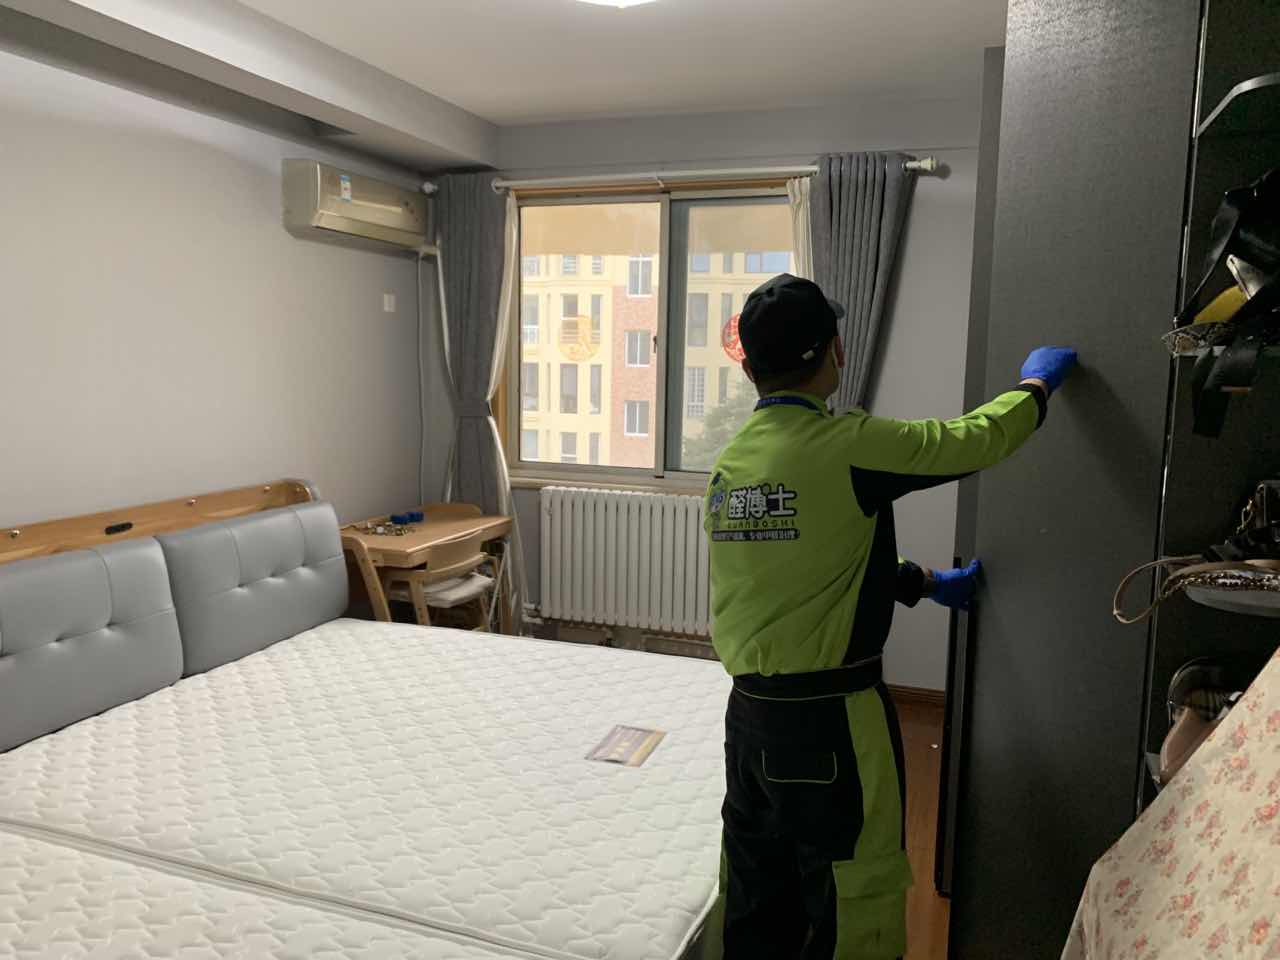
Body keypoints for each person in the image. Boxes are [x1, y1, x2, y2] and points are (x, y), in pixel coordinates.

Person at [703, 274, 1076, 959]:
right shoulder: (846, 445)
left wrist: (922, 583)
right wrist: (1036, 388)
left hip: (748, 719)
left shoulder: (731, 463)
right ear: (835, 352)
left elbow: (795, 568)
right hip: (831, 720)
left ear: (750, 369)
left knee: (758, 890)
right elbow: (970, 440)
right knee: (855, 892)